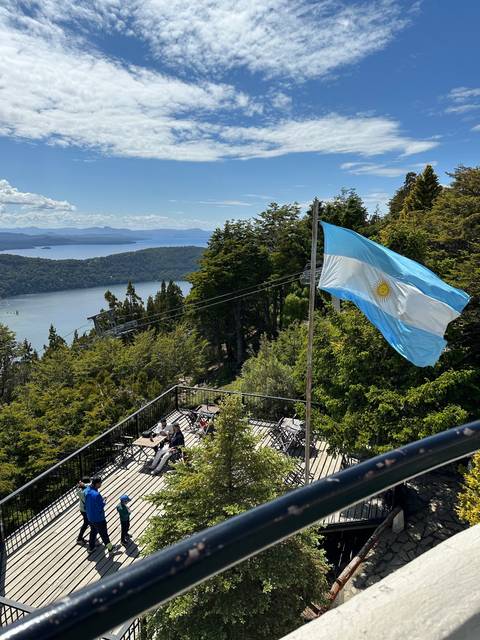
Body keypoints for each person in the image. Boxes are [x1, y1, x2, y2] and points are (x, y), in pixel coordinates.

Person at [85, 477, 115, 554]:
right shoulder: (97, 495)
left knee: (93, 532)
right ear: (97, 484)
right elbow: (100, 506)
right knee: (104, 535)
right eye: (100, 483)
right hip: (99, 518)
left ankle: (91, 548)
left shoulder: (87, 491)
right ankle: (110, 549)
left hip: (90, 517)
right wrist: (104, 501)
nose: (101, 484)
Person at [76, 476, 91, 545]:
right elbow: (90, 486)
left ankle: (81, 538)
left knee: (88, 522)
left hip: (82, 509)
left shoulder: (79, 490)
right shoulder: (86, 492)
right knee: (86, 523)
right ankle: (79, 539)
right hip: (86, 510)